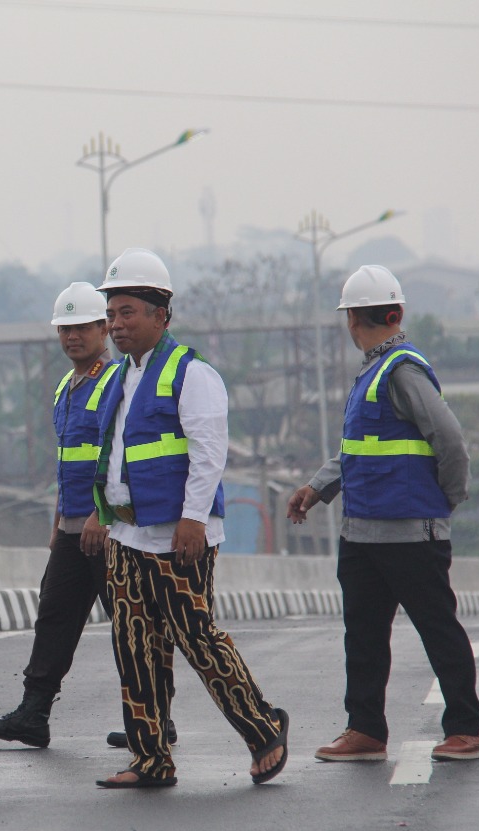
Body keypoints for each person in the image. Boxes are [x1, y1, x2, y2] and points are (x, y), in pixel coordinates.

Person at [84, 248, 287, 789]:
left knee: (196, 638)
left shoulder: (192, 373)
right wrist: (100, 516)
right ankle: (151, 759)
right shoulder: (118, 378)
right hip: (127, 534)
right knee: (134, 645)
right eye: (112, 313)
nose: (116, 324)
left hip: (179, 536)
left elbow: (208, 452)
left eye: (128, 312)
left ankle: (263, 725)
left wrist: (193, 519)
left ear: (160, 314)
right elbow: (113, 455)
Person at [287, 264, 479, 763]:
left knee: (437, 629)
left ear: (369, 319)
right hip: (361, 533)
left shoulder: (403, 370)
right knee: (364, 637)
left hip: (411, 534)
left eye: (356, 319)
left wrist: (447, 499)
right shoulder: (371, 374)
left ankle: (465, 729)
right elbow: (358, 451)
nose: (354, 328)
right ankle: (366, 730)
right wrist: (316, 487)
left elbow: (451, 440)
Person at [0, 282, 127, 748]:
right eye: (64, 328)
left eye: (81, 327)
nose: (72, 336)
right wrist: (58, 522)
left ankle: (154, 717)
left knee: (130, 623)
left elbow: (115, 456)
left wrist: (102, 515)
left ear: (103, 328)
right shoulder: (66, 385)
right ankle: (33, 714)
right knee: (54, 616)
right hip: (72, 528)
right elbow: (69, 462)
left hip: (111, 527)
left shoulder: (117, 382)